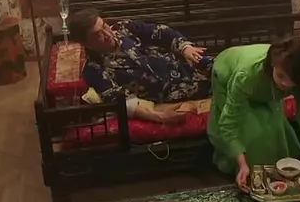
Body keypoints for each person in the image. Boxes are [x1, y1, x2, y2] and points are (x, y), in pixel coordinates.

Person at [207, 38, 300, 193]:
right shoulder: (246, 75)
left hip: (264, 82)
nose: (285, 84)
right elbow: (230, 122)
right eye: (281, 76)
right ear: (272, 64)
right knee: (251, 132)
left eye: (291, 81)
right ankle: (247, 174)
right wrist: (243, 165)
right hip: (229, 74)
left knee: (273, 127)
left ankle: (270, 176)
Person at [65, 8, 212, 125]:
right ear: (86, 43)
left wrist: (185, 48)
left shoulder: (124, 28)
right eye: (98, 35)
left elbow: (160, 31)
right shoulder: (95, 69)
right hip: (173, 93)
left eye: (105, 26)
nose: (108, 34)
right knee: (221, 84)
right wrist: (159, 117)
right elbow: (121, 102)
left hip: (184, 66)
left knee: (220, 65)